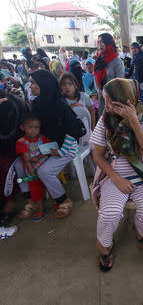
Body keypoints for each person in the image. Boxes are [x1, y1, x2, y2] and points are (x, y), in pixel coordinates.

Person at [91, 78, 143, 272]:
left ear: (127, 100)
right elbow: (97, 155)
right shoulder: (105, 120)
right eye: (105, 102)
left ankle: (139, 231)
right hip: (114, 177)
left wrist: (132, 121)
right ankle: (104, 247)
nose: (107, 107)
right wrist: (116, 178)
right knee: (109, 214)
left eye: (111, 102)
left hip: (142, 176)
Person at [30, 70, 86, 219]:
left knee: (44, 172)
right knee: (28, 164)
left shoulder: (58, 104)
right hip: (49, 146)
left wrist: (60, 152)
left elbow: (72, 132)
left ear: (44, 85)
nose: (30, 87)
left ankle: (64, 200)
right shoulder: (37, 104)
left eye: (33, 83)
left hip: (67, 147)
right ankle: (37, 199)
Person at [0, 92, 30, 227]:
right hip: (6, 145)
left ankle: (9, 204)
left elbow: (8, 135)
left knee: (5, 167)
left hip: (18, 145)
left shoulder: (9, 105)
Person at [16, 115, 50, 222]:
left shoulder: (42, 138)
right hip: (31, 171)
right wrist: (30, 172)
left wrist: (38, 157)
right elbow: (26, 159)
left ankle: (57, 204)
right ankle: (40, 209)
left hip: (45, 169)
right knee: (36, 191)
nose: (34, 130)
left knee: (50, 186)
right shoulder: (21, 142)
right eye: (30, 127)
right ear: (23, 127)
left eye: (37, 127)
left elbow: (49, 149)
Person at [94, 33, 125, 115]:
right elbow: (95, 77)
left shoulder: (117, 61)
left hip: (114, 100)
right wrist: (101, 92)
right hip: (101, 99)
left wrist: (108, 96)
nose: (99, 45)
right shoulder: (98, 60)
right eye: (98, 42)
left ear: (108, 43)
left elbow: (119, 82)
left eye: (102, 42)